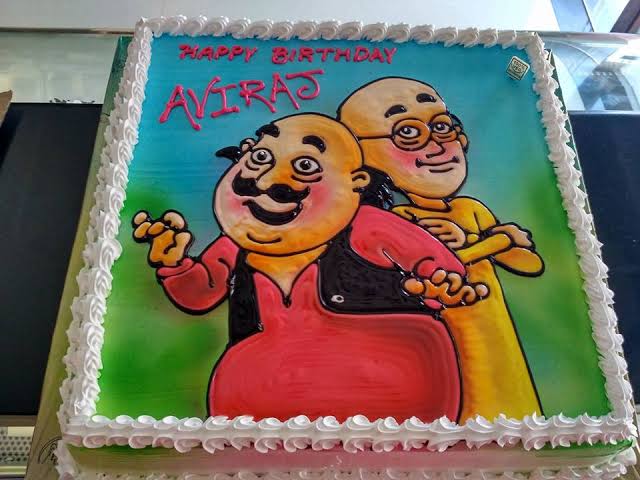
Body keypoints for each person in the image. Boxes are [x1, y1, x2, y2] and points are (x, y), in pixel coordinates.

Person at [132, 112, 487, 423]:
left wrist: (439, 286)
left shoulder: (366, 226)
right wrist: (174, 264)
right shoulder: (237, 243)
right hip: (258, 421)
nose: (267, 181)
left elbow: (439, 266)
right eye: (260, 158)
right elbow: (199, 294)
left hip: (398, 406)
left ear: (356, 183)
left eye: (305, 166)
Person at [338, 77, 544, 422]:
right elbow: (437, 270)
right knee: (468, 406)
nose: (435, 147)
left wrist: (491, 243)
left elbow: (529, 263)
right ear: (362, 156)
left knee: (512, 404)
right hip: (445, 338)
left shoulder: (470, 208)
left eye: (441, 127)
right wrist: (496, 240)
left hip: (495, 330)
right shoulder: (397, 220)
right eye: (407, 133)